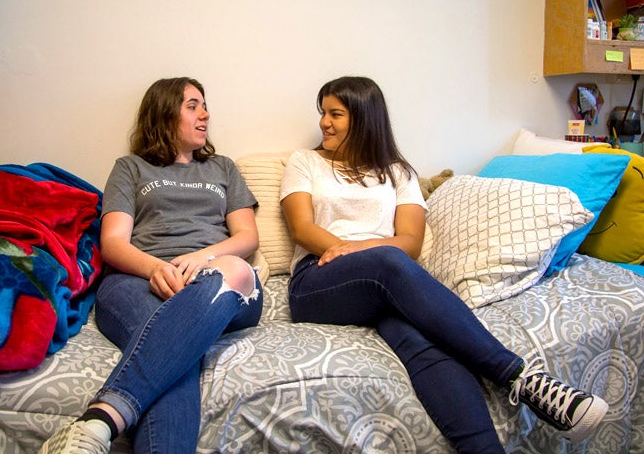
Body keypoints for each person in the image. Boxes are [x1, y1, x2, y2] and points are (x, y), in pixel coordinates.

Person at [279, 76, 609, 454]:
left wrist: (362, 251)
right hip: (320, 281)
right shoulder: (306, 162)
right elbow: (303, 227)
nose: (324, 122)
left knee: (425, 343)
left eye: (335, 114)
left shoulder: (398, 172)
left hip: (384, 284)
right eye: (323, 113)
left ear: (364, 118)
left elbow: (411, 242)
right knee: (387, 262)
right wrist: (354, 252)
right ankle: (519, 377)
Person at [40, 77, 263, 454]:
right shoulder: (130, 168)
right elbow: (113, 243)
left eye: (204, 105)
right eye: (193, 105)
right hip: (137, 281)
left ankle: (100, 421)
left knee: (237, 271)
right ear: (163, 112)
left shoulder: (222, 168)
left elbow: (247, 238)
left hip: (214, 278)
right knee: (178, 354)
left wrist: (203, 257)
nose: (205, 114)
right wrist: (154, 268)